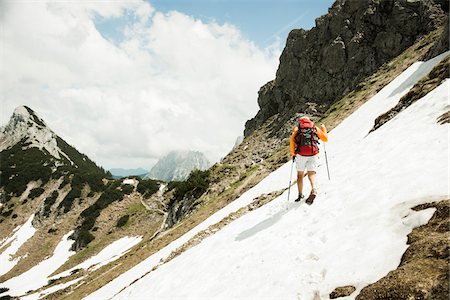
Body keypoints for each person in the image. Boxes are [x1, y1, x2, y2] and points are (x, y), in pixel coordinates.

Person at [289, 116, 328, 204]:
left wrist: (293, 154)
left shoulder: (297, 129)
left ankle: (300, 194)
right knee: (311, 173)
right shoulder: (314, 127)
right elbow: (325, 138)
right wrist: (323, 128)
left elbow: (292, 141)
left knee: (300, 175)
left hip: (301, 154)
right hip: (313, 153)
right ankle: (313, 189)